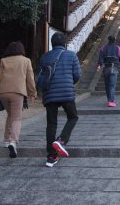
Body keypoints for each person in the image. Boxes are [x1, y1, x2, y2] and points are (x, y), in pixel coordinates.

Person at [38, 30, 81, 168]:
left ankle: (51, 157)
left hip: (49, 94)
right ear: (65, 43)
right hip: (66, 93)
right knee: (73, 116)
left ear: (52, 44)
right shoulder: (71, 55)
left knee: (51, 124)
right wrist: (68, 82)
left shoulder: (45, 57)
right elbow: (77, 75)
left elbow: (40, 78)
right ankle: (61, 141)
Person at [0, 41, 37, 159]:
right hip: (17, 92)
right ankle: (13, 141)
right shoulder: (26, 61)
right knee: (17, 117)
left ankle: (6, 140)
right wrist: (32, 93)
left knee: (10, 115)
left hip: (3, 92)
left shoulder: (4, 60)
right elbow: (30, 79)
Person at [97, 35, 120, 107]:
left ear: (108, 40)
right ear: (114, 40)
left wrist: (100, 65)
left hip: (106, 68)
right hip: (114, 68)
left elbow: (101, 58)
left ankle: (109, 99)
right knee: (112, 85)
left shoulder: (103, 48)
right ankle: (111, 101)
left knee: (107, 85)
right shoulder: (118, 48)